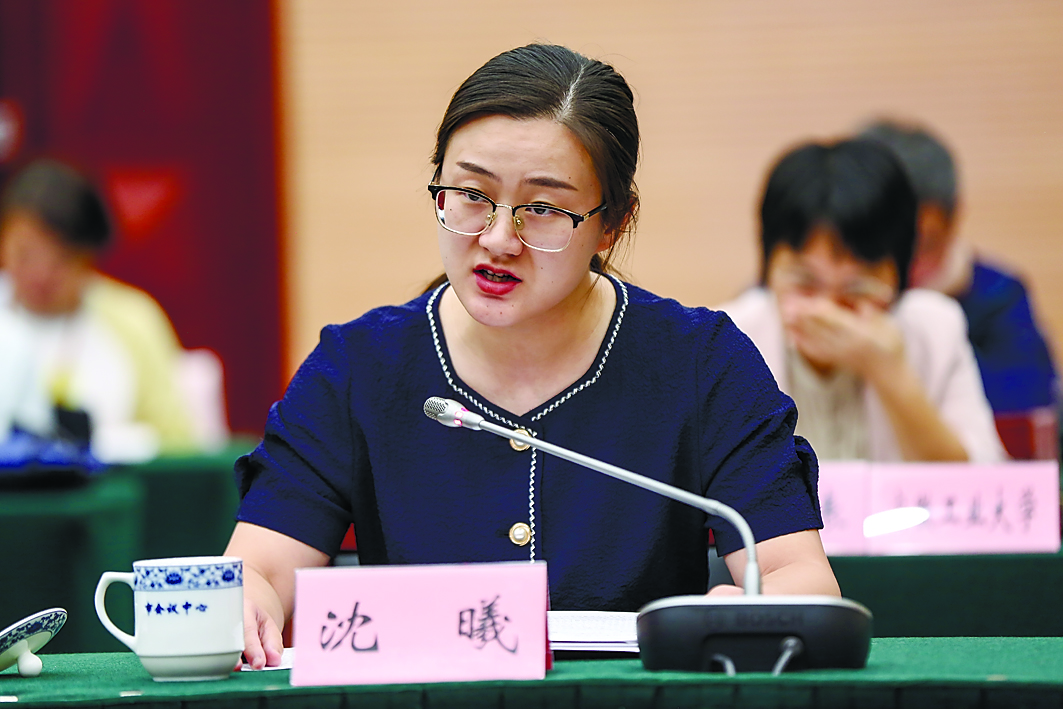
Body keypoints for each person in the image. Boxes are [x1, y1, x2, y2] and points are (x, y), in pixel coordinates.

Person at [227, 43, 839, 670]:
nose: (498, 239)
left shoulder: (701, 363)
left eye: (542, 209)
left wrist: (753, 608)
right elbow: (259, 572)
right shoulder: (359, 368)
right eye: (471, 194)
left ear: (612, 223)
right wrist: (248, 602)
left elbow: (798, 577)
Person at [718, 138, 1005, 463]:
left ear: (899, 276)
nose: (827, 309)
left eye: (857, 289)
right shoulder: (725, 342)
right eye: (805, 283)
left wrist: (891, 373)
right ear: (768, 271)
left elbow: (982, 480)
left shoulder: (936, 329)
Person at [859, 119, 1058, 449]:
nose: (904, 265)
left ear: (953, 220)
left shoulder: (998, 294)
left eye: (923, 244)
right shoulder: (810, 299)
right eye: (884, 244)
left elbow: (1028, 409)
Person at [0, 158, 195, 460]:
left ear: (89, 255)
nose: (40, 274)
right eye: (25, 255)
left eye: (60, 260)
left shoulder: (133, 320)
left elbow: (178, 442)